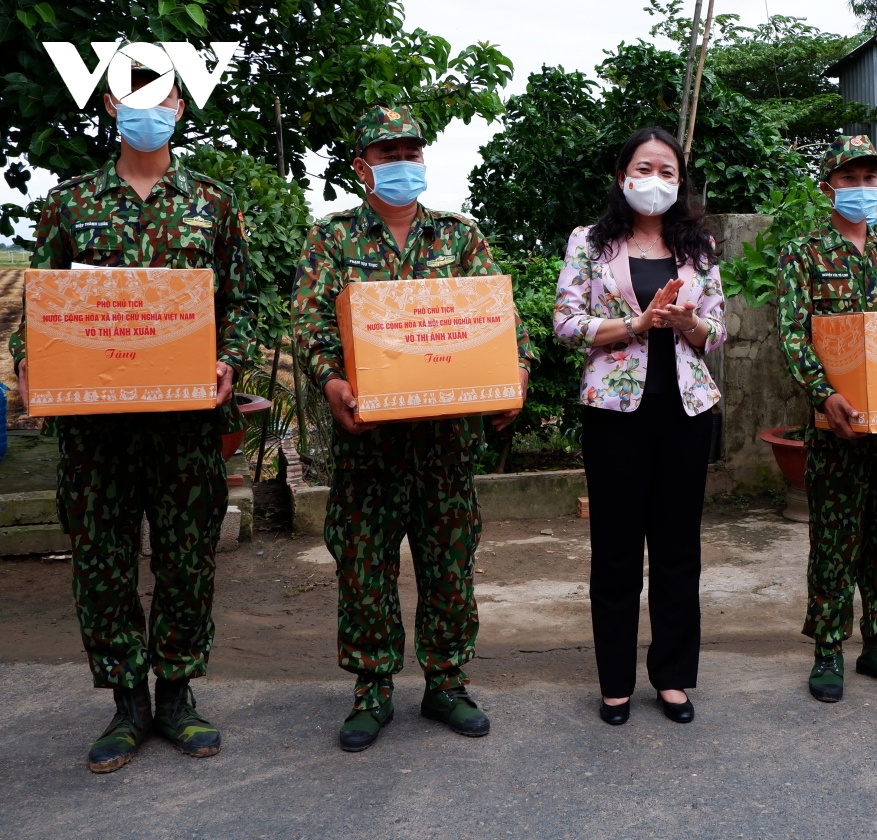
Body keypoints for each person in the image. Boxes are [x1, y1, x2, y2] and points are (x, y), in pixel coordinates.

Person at [9, 51, 253, 772]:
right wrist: (30, 360)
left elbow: (238, 305)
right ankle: (126, 703)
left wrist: (229, 361)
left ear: (179, 106)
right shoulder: (69, 202)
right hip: (96, 429)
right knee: (104, 563)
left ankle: (176, 695)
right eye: (133, 94)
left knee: (186, 560)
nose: (149, 106)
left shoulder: (212, 201)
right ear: (112, 107)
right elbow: (42, 300)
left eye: (163, 94)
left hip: (185, 428)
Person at [292, 106, 534, 752]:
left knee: (449, 563)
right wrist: (330, 381)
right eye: (387, 152)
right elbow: (312, 325)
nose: (402, 163)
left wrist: (516, 371)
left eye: (412, 152)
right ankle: (371, 689)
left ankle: (447, 683)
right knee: (365, 567)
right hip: (368, 443)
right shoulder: (332, 240)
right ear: (361, 166)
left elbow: (502, 318)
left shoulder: (460, 237)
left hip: (445, 443)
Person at [554, 127, 726, 725]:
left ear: (680, 182)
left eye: (668, 171)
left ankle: (674, 678)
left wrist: (685, 323)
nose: (656, 180)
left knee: (679, 548)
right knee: (618, 550)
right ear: (623, 174)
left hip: (686, 411)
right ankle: (616, 683)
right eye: (645, 168)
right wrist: (635, 324)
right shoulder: (589, 242)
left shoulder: (698, 244)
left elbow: (717, 330)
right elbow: (567, 323)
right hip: (614, 415)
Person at [776, 134, 877, 704]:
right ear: (828, 189)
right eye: (851, 179)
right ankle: (826, 652)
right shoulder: (804, 253)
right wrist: (822, 395)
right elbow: (793, 335)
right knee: (835, 542)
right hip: (838, 426)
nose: (864, 189)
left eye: (872, 179)